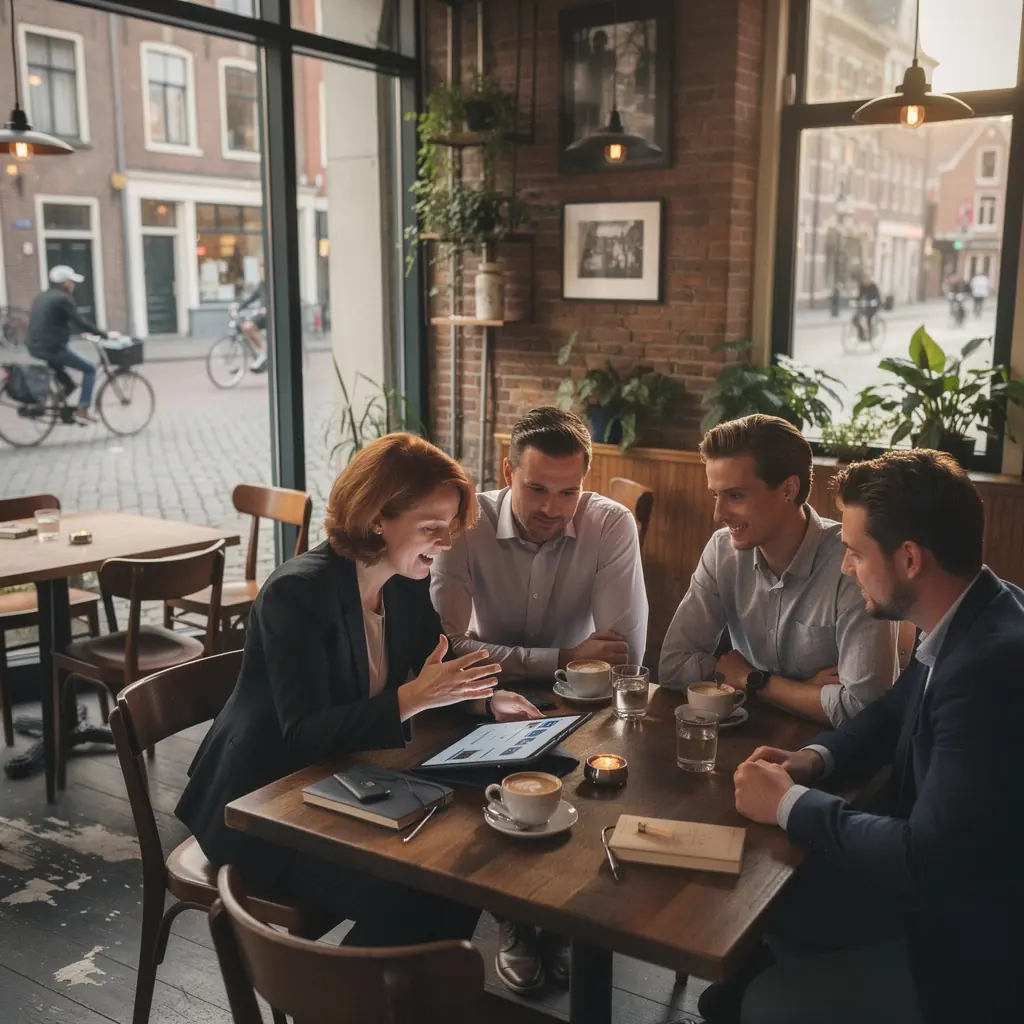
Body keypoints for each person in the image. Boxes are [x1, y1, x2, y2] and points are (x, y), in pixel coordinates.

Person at [176, 433, 542, 946]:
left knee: (459, 876)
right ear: (377, 520)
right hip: (261, 808)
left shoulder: (405, 581)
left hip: (340, 784)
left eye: (451, 527)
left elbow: (436, 657)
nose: (446, 543)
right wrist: (413, 698)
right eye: (431, 528)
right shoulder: (297, 594)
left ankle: (385, 999)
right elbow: (301, 735)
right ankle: (336, 1002)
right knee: (424, 891)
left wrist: (485, 696)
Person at [733, 449, 1024, 1023]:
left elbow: (924, 857)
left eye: (855, 552)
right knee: (777, 906)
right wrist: (814, 760)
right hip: (947, 894)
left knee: (767, 1003)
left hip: (977, 950)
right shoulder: (976, 609)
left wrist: (788, 803)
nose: (845, 568)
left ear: (910, 558)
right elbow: (892, 713)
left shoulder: (987, 671)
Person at [430, 405, 648, 996]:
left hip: (583, 700)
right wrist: (559, 655)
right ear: (507, 470)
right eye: (536, 489)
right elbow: (448, 648)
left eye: (568, 492)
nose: (552, 508)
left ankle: (563, 919)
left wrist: (564, 662)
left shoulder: (609, 524)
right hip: (481, 695)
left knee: (596, 787)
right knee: (494, 788)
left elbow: (621, 654)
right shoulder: (466, 523)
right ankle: (515, 920)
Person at [660, 414, 896, 728]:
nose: (718, 514)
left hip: (832, 757)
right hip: (751, 738)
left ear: (788, 490)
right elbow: (673, 666)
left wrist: (753, 680)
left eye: (736, 495)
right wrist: (802, 693)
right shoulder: (722, 551)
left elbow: (862, 710)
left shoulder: (851, 563)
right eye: (715, 495)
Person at [26, 265, 108, 423]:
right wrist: (103, 333)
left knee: (69, 383)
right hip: (52, 347)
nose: (73, 285)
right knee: (89, 369)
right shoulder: (63, 298)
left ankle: (49, 404)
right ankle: (83, 410)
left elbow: (53, 320)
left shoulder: (42, 296)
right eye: (71, 281)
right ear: (64, 283)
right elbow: (79, 321)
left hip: (35, 346)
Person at [237, 265, 267, 373]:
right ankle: (261, 352)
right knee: (246, 327)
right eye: (260, 272)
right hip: (263, 314)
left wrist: (266, 309)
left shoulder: (272, 284)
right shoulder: (261, 285)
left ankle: (263, 354)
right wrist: (239, 307)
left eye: (262, 272)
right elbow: (252, 298)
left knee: (248, 327)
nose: (261, 274)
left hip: (270, 316)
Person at [852, 272, 881, 341]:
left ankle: (870, 334)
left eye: (867, 279)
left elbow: (877, 297)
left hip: (873, 305)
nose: (865, 281)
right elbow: (860, 295)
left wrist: (874, 301)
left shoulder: (873, 286)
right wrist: (856, 301)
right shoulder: (862, 286)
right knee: (855, 319)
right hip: (865, 304)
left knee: (869, 319)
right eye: (864, 279)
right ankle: (861, 334)